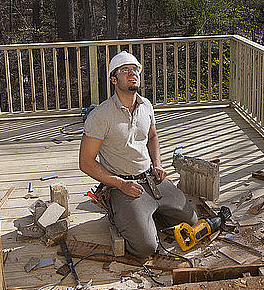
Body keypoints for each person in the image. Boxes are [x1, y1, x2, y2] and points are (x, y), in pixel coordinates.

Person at [79, 51, 198, 257]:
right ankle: (119, 211)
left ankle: (147, 213)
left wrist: (158, 164)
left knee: (192, 221)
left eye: (135, 69)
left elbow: (152, 137)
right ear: (114, 80)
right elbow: (86, 162)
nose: (132, 73)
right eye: (125, 70)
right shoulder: (100, 116)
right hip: (123, 185)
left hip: (151, 177)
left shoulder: (146, 106)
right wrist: (119, 184)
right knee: (145, 248)